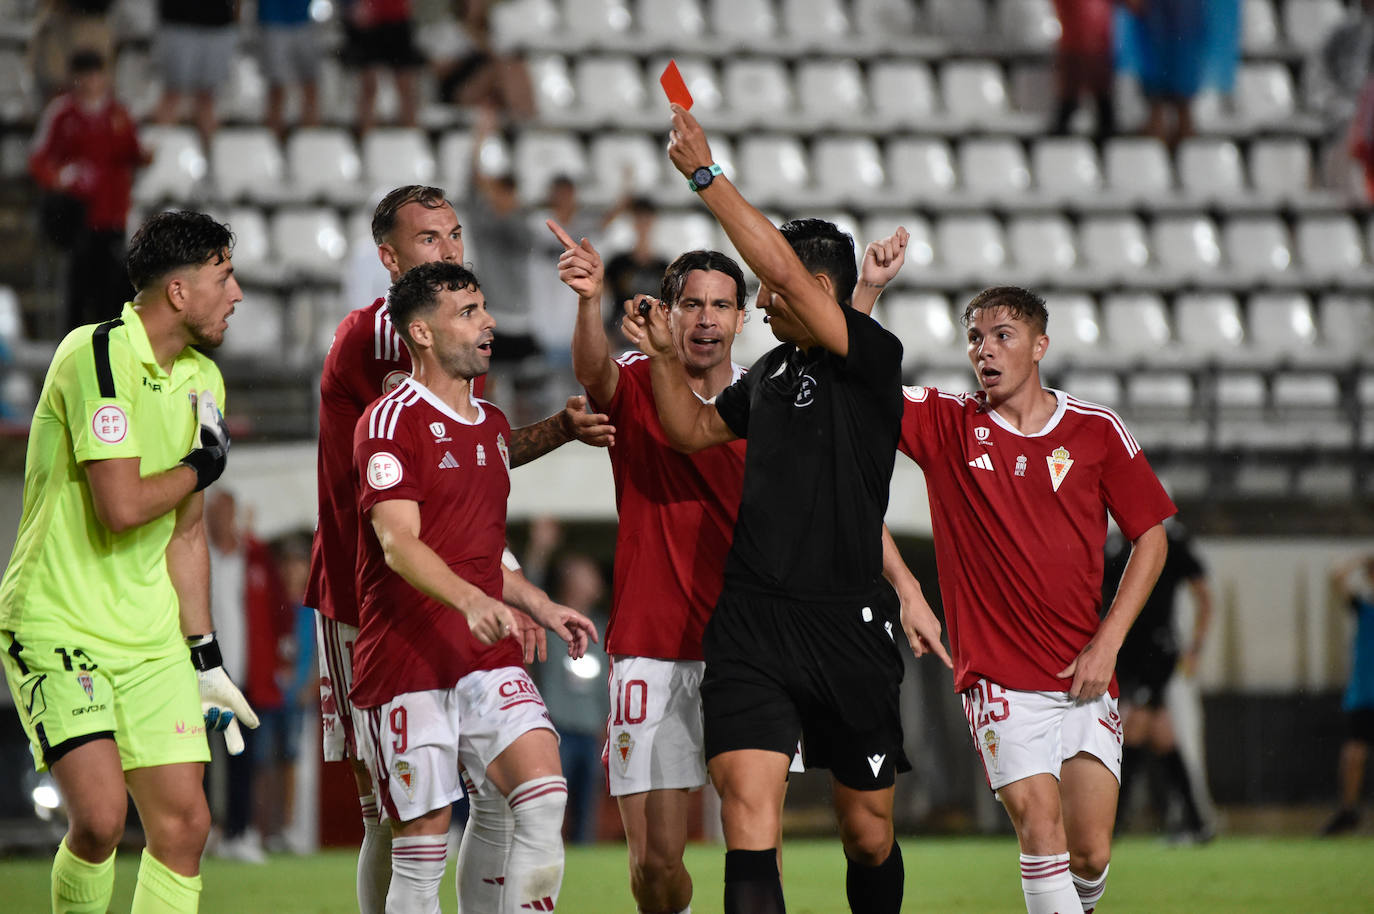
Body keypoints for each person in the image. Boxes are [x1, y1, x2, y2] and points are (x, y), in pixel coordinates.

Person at [620, 103, 951, 914]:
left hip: (849, 628)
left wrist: (707, 176)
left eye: (772, 286)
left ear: (821, 293)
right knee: (747, 816)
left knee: (867, 833)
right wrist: (665, 358)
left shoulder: (871, 359)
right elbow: (692, 429)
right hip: (754, 624)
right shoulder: (766, 379)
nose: (762, 299)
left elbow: (791, 274)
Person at [307, 183, 613, 914]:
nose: (448, 251)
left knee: (512, 797)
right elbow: (416, 473)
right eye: (428, 240)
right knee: (395, 817)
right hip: (368, 599)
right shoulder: (381, 342)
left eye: (454, 236)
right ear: (388, 257)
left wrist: (513, 584)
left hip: (466, 598)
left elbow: (474, 458)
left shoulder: (460, 351)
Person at [0, 210, 255, 913]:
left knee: (184, 824)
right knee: (103, 819)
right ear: (178, 292)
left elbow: (186, 530)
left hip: (150, 641)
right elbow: (122, 504)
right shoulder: (95, 354)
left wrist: (204, 656)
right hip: (60, 625)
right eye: (224, 276)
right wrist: (200, 467)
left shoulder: (204, 380)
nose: (237, 295)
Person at [894, 285, 1173, 914]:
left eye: (1002, 336)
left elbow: (1150, 540)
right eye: (974, 338)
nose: (984, 351)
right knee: (1040, 830)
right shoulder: (948, 424)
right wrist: (868, 291)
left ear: (1040, 345)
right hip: (997, 680)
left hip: (1082, 675)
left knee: (1091, 854)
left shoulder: (1096, 430)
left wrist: (1107, 644)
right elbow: (857, 378)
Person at [1104, 515, 1215, 842]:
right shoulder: (1112, 544)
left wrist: (1195, 647)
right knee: (1159, 733)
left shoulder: (1167, 541)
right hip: (1126, 653)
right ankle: (1196, 822)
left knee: (1134, 728)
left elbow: (1203, 593)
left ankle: (1113, 822)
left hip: (1157, 650)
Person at [29, 48, 149, 332]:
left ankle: (108, 353)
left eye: (95, 75)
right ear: (75, 79)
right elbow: (38, 160)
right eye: (84, 76)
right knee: (77, 292)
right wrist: (59, 178)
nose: (90, 82)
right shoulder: (61, 114)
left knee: (112, 290)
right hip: (78, 220)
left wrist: (146, 157)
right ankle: (74, 350)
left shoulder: (119, 114)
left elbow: (134, 153)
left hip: (113, 215)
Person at [205, 489, 291, 864]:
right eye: (213, 514)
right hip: (200, 677)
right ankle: (206, 832)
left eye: (225, 513)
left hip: (243, 677)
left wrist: (279, 659)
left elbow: (279, 610)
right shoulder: (196, 556)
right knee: (198, 759)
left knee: (242, 759)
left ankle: (239, 832)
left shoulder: (252, 557)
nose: (219, 520)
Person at [1320, 552, 1374, 835]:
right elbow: (1336, 576)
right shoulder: (1363, 608)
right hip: (1365, 694)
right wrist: (1362, 560)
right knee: (1353, 754)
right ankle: (1349, 810)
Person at [152, 0, 238, 147]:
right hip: (178, 21)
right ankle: (161, 158)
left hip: (218, 23)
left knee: (208, 98)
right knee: (172, 94)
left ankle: (208, 156)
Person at [341, 0, 423, 134]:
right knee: (368, 87)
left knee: (405, 87)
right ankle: (366, 139)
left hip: (398, 18)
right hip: (369, 20)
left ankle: (412, 137)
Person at [256, 0, 322, 138]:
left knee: (310, 84)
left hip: (305, 20)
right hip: (273, 21)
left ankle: (310, 139)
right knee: (277, 87)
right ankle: (274, 140)